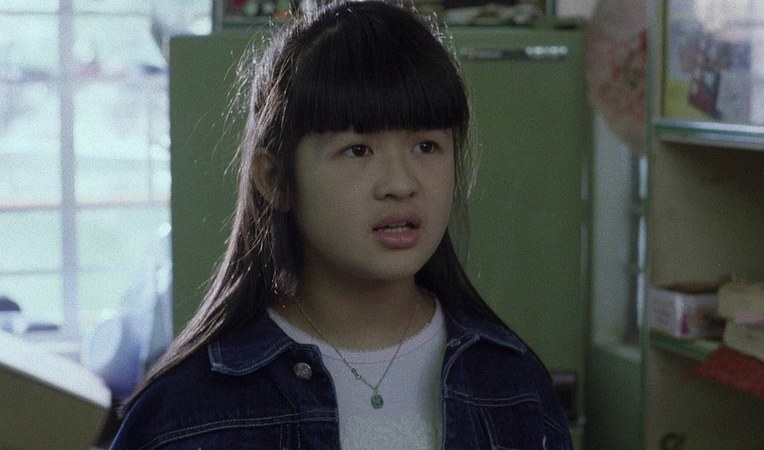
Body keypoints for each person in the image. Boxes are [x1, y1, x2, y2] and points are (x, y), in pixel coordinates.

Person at [110, 1, 573, 449]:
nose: (401, 184)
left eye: (426, 146)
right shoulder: (185, 413)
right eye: (357, 150)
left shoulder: (514, 387)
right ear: (275, 179)